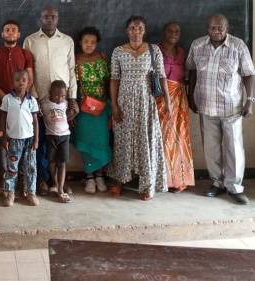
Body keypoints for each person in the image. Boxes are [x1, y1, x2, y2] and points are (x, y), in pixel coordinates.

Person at [186, 14, 255, 205]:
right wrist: (191, 95)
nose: (216, 32)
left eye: (220, 28)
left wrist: (250, 100)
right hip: (206, 106)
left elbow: (249, 74)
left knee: (234, 149)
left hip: (231, 108)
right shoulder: (198, 45)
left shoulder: (238, 46)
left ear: (227, 27)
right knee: (211, 148)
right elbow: (191, 70)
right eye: (212, 28)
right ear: (207, 28)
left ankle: (235, 187)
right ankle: (217, 183)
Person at [108, 15, 172, 201]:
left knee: (146, 141)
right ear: (127, 30)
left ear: (144, 31)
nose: (136, 32)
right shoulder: (118, 51)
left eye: (140, 29)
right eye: (133, 28)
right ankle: (120, 180)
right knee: (123, 141)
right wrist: (114, 105)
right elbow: (114, 79)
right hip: (124, 102)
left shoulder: (154, 51)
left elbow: (161, 77)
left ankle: (147, 184)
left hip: (146, 102)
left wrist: (167, 101)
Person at [23, 5, 77, 196]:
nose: (49, 19)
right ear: (40, 18)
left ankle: (57, 182)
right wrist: (35, 96)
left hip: (61, 101)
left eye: (53, 16)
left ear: (58, 19)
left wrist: (73, 99)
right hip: (39, 99)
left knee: (59, 140)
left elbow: (71, 71)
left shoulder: (67, 41)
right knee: (39, 141)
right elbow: (27, 71)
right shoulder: (30, 41)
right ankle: (42, 179)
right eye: (45, 16)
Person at [0, 19, 34, 196]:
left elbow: (29, 80)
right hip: (1, 107)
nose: (10, 33)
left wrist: (18, 100)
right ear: (2, 34)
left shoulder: (25, 54)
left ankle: (22, 181)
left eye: (14, 30)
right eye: (7, 30)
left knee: (23, 141)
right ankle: (5, 182)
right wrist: (8, 100)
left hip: (22, 108)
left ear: (19, 34)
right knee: (3, 142)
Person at [70, 26, 112, 194]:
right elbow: (71, 85)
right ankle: (89, 176)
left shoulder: (102, 57)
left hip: (102, 107)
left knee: (101, 141)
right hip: (83, 108)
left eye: (93, 42)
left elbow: (109, 82)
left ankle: (100, 175)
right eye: (86, 42)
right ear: (80, 43)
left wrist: (112, 105)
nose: (89, 45)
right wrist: (72, 109)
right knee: (86, 141)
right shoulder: (76, 59)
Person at [156, 22, 195, 193]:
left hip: (179, 99)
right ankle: (160, 178)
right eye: (170, 31)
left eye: (177, 31)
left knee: (179, 138)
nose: (173, 33)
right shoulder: (154, 49)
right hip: (160, 99)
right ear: (163, 32)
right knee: (161, 138)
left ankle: (178, 180)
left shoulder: (181, 52)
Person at [0, 69, 39, 207]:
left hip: (29, 139)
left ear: (28, 82)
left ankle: (31, 193)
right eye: (17, 80)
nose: (21, 82)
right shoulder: (7, 99)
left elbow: (35, 121)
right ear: (13, 82)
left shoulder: (32, 100)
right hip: (14, 139)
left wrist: (36, 139)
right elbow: (3, 117)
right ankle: (10, 193)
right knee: (12, 168)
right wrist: (4, 137)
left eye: (24, 80)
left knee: (31, 167)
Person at [41, 80, 78, 203]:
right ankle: (55, 183)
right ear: (50, 93)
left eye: (62, 96)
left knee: (62, 163)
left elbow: (64, 119)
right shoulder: (44, 104)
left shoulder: (66, 104)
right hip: (50, 136)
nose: (59, 99)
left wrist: (75, 113)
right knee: (51, 161)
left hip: (64, 137)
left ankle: (61, 189)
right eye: (56, 96)